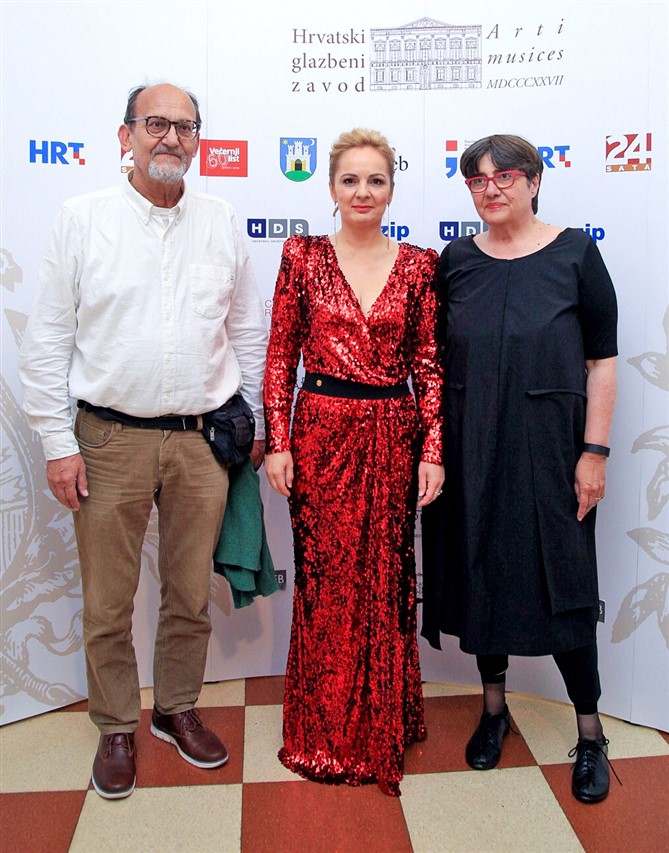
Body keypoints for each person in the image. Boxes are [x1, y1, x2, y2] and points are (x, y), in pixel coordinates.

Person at [19, 83, 268, 800]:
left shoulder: (221, 220)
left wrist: (251, 416)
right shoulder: (82, 219)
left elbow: (246, 329)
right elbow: (48, 339)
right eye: (155, 123)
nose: (170, 137)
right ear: (124, 135)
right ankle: (116, 724)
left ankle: (176, 708)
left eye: (185, 126)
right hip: (107, 441)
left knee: (189, 593)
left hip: (200, 443)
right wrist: (57, 442)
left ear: (198, 140)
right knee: (108, 601)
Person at [422, 134, 618, 804]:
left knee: (564, 584)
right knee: (481, 574)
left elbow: (602, 362)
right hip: (471, 447)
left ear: (534, 180)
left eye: (504, 175)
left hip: (552, 454)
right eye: (477, 180)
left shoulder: (575, 254)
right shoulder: (456, 261)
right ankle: (493, 710)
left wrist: (593, 453)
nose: (491, 188)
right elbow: (434, 361)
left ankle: (589, 734)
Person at [264, 128, 445, 796]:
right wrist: (278, 441)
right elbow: (280, 355)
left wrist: (432, 451)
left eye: (375, 180)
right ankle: (324, 731)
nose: (362, 192)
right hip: (319, 434)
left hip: (393, 435)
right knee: (325, 581)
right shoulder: (302, 255)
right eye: (350, 180)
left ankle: (383, 720)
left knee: (387, 580)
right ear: (331, 188)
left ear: (391, 189)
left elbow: (429, 366)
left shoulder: (421, 265)